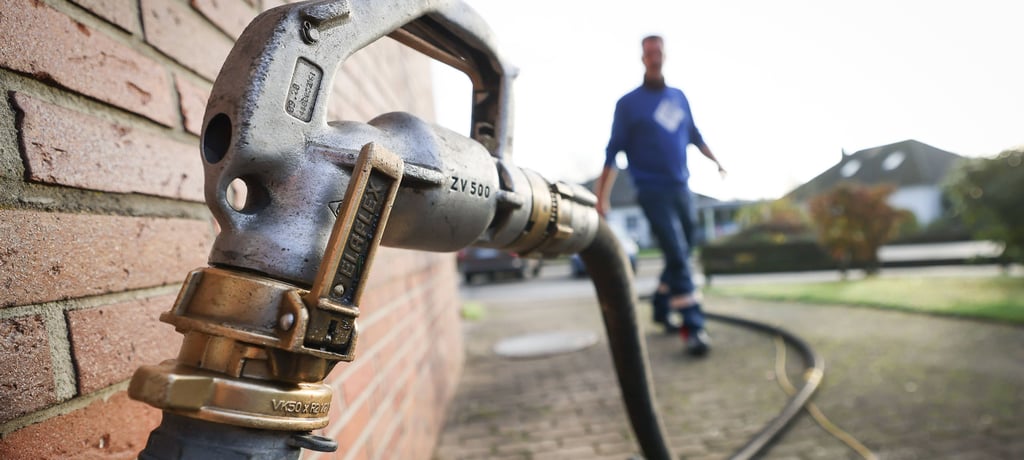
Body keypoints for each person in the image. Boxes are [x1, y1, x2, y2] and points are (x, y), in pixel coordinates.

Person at [596, 35, 725, 356]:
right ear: (642, 58)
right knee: (678, 254)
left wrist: (717, 162)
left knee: (684, 247)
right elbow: (612, 152)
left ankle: (659, 305)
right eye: (649, 52)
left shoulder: (678, 98)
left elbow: (694, 136)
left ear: (664, 55)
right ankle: (692, 327)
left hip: (681, 187)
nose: (654, 57)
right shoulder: (628, 105)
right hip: (651, 191)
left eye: (658, 51)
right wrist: (602, 197)